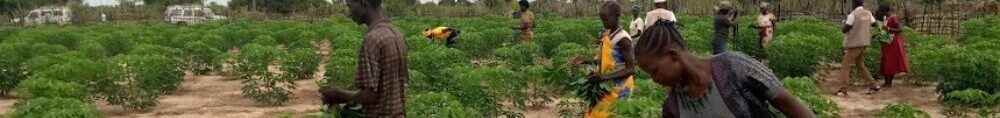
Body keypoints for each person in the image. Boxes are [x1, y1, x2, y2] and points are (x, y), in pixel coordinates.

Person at [634, 19, 816, 118]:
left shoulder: (734, 66)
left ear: (673, 55)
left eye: (655, 71)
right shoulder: (672, 108)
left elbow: (791, 106)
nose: (654, 80)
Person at [320, 0, 408, 117]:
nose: (349, 13)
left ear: (363, 4)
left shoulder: (372, 40)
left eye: (350, 7)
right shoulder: (397, 35)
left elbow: (369, 96)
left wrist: (338, 94)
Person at [571, 2, 636, 117]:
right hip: (605, 85)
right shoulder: (607, 35)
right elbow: (604, 62)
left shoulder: (623, 39)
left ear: (617, 16)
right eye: (602, 20)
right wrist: (585, 61)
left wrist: (603, 77)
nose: (604, 23)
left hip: (620, 88)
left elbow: (630, 69)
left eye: (606, 19)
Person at [836, 0, 878, 96]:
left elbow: (845, 29)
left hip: (855, 44)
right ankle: (873, 86)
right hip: (864, 43)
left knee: (845, 65)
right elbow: (874, 24)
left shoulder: (853, 15)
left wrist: (844, 23)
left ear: (853, 4)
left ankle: (843, 89)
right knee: (859, 64)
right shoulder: (868, 13)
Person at [874, 4, 909, 90]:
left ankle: (889, 83)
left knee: (891, 62)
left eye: (880, 11)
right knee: (885, 61)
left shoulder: (893, 17)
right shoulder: (885, 18)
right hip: (887, 42)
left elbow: (900, 29)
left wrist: (888, 29)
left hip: (893, 42)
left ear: (884, 11)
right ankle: (886, 82)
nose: (879, 13)